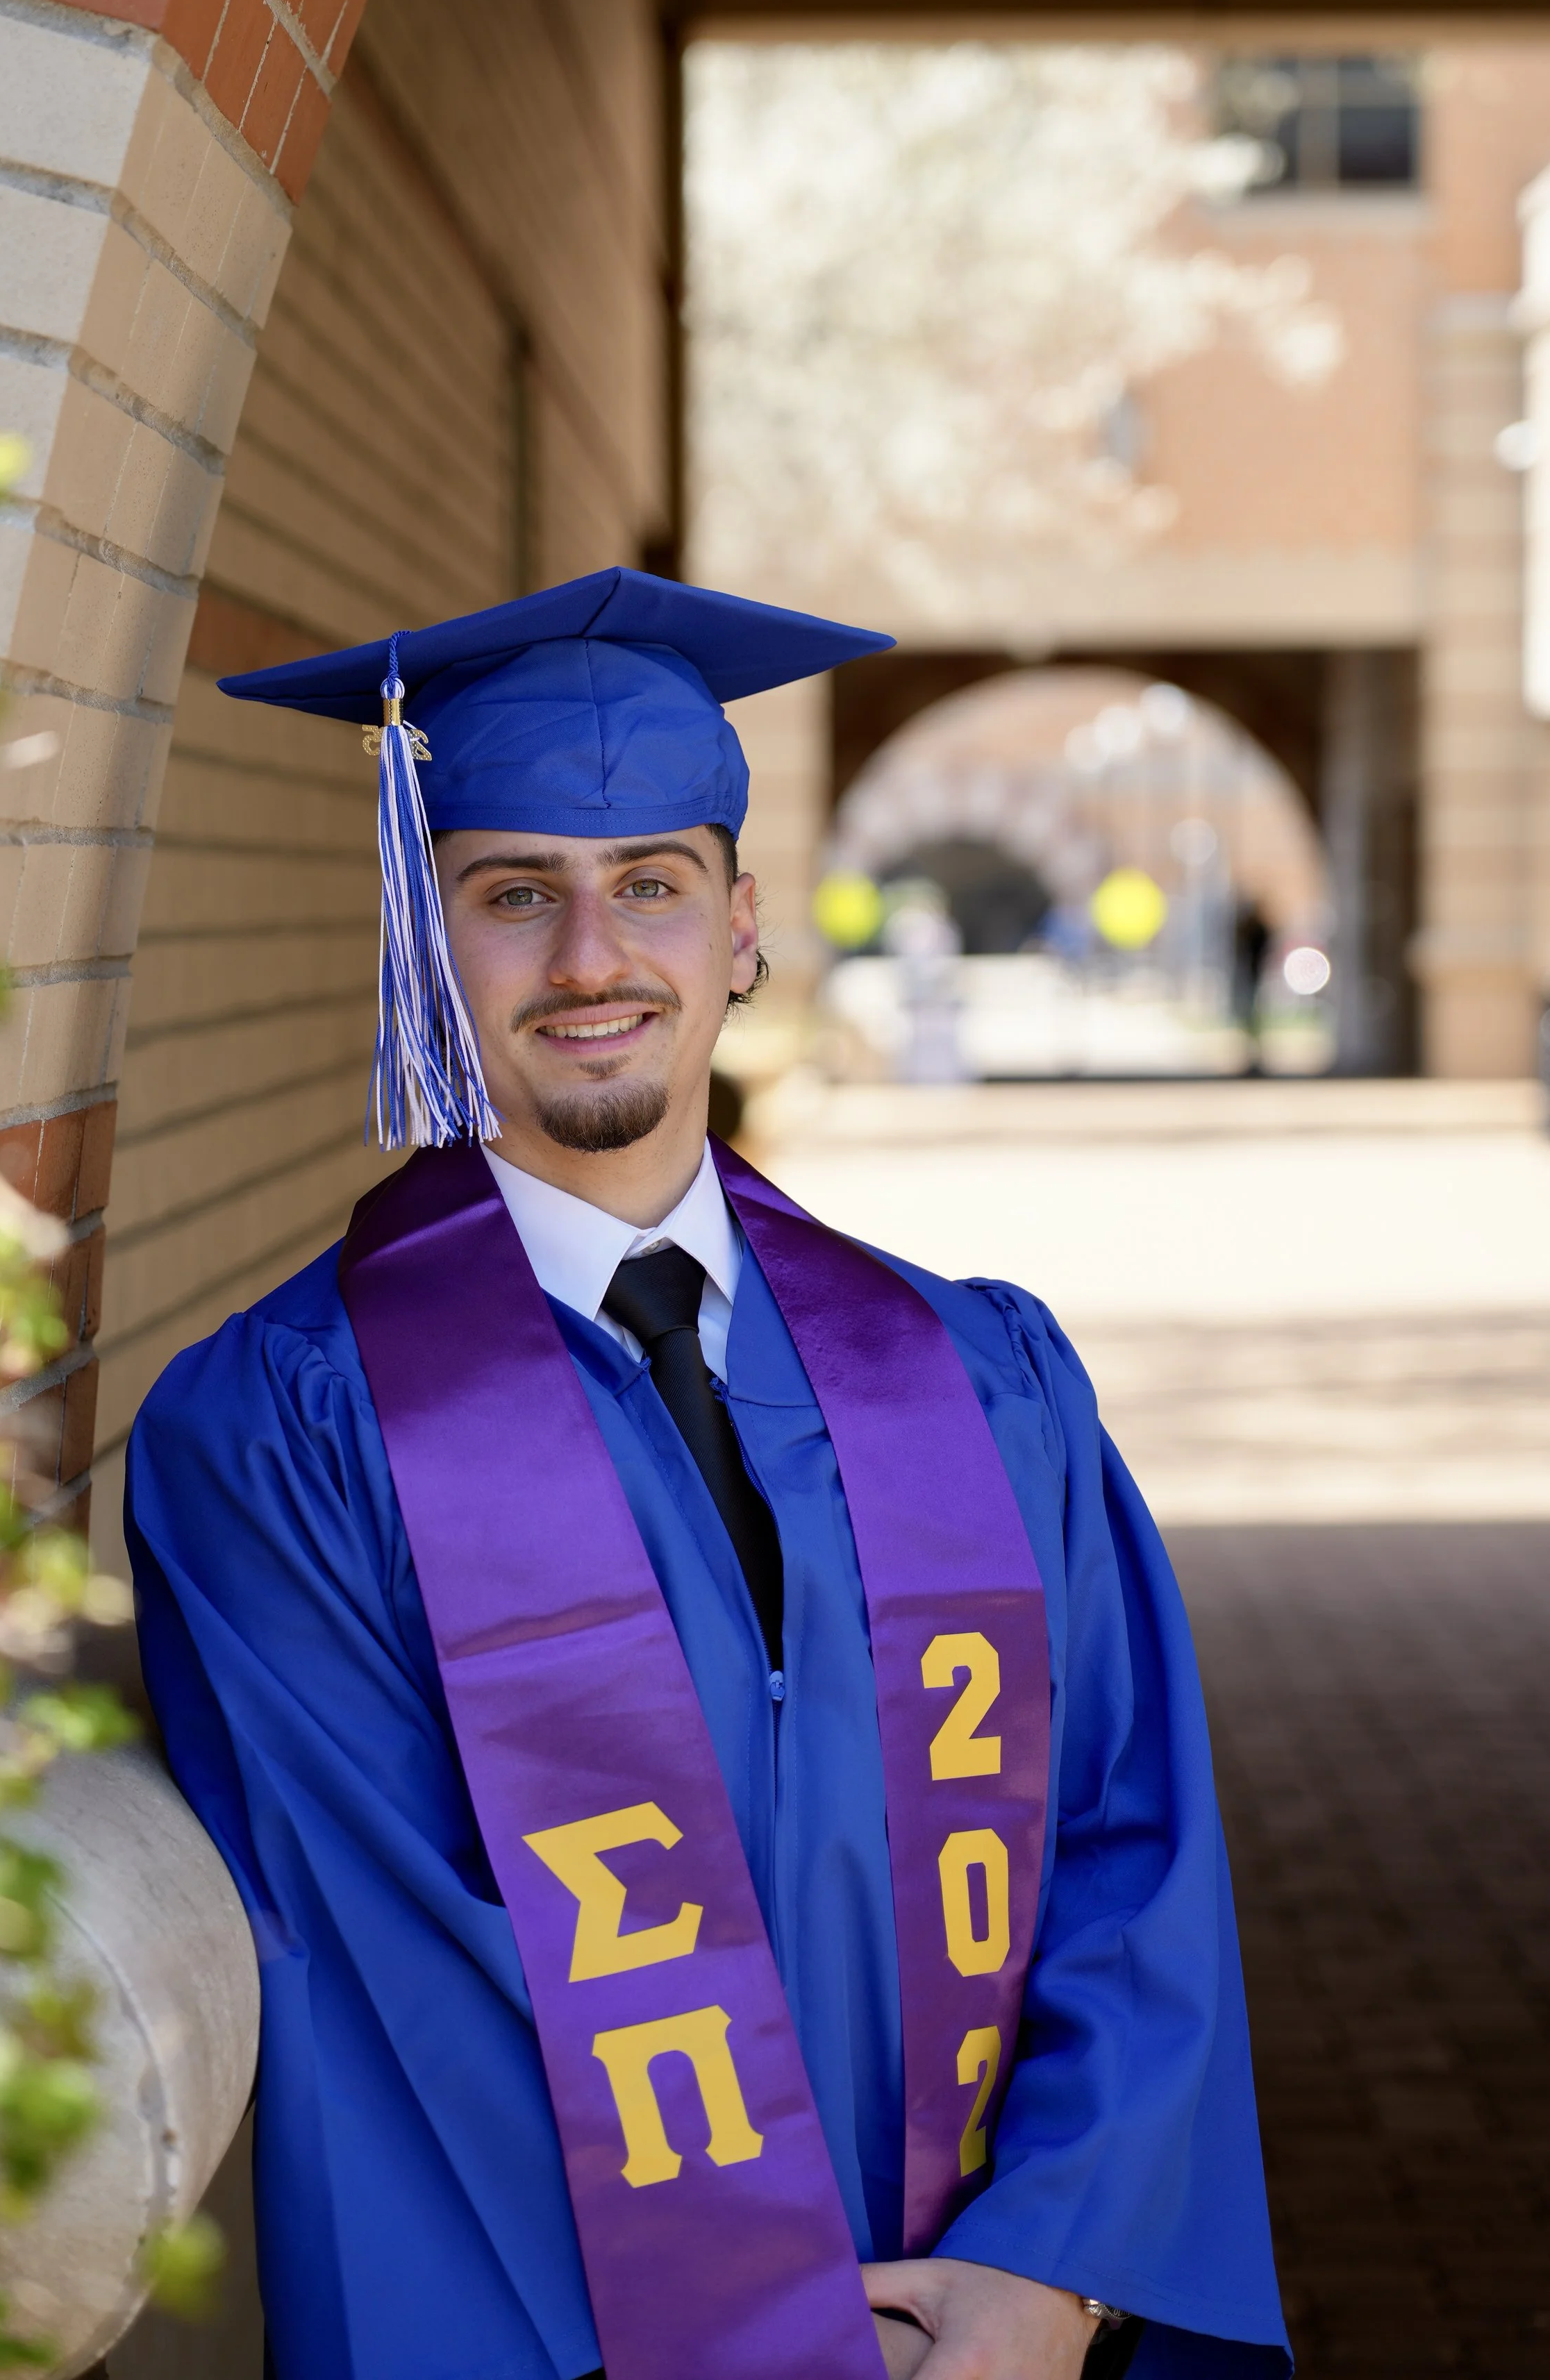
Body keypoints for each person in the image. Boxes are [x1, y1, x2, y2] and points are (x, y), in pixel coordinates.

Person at [126, 569, 1290, 2380]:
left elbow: (1131, 1856)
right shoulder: (283, 1437)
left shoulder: (985, 1381)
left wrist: (1050, 2276)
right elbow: (390, 1983)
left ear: (739, 926)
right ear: (427, 941)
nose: (592, 958)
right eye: (514, 895)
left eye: (649, 885)